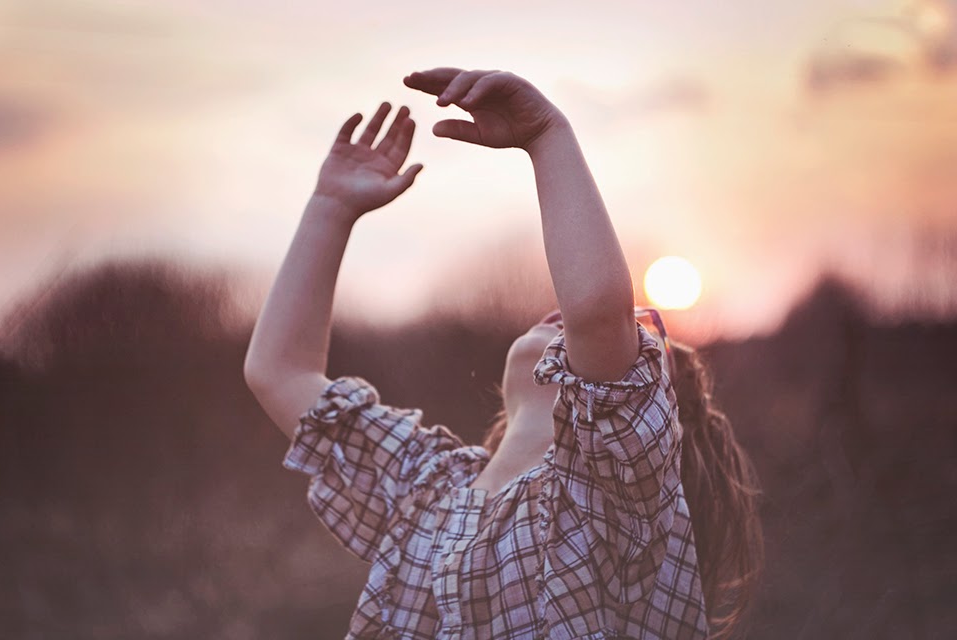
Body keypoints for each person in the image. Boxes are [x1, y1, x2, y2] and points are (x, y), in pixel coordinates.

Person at [244, 68, 763, 640]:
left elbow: (597, 313)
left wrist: (547, 136)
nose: (569, 319)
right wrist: (330, 206)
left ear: (652, 428)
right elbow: (281, 372)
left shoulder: (618, 509)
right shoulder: (427, 489)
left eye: (641, 341)